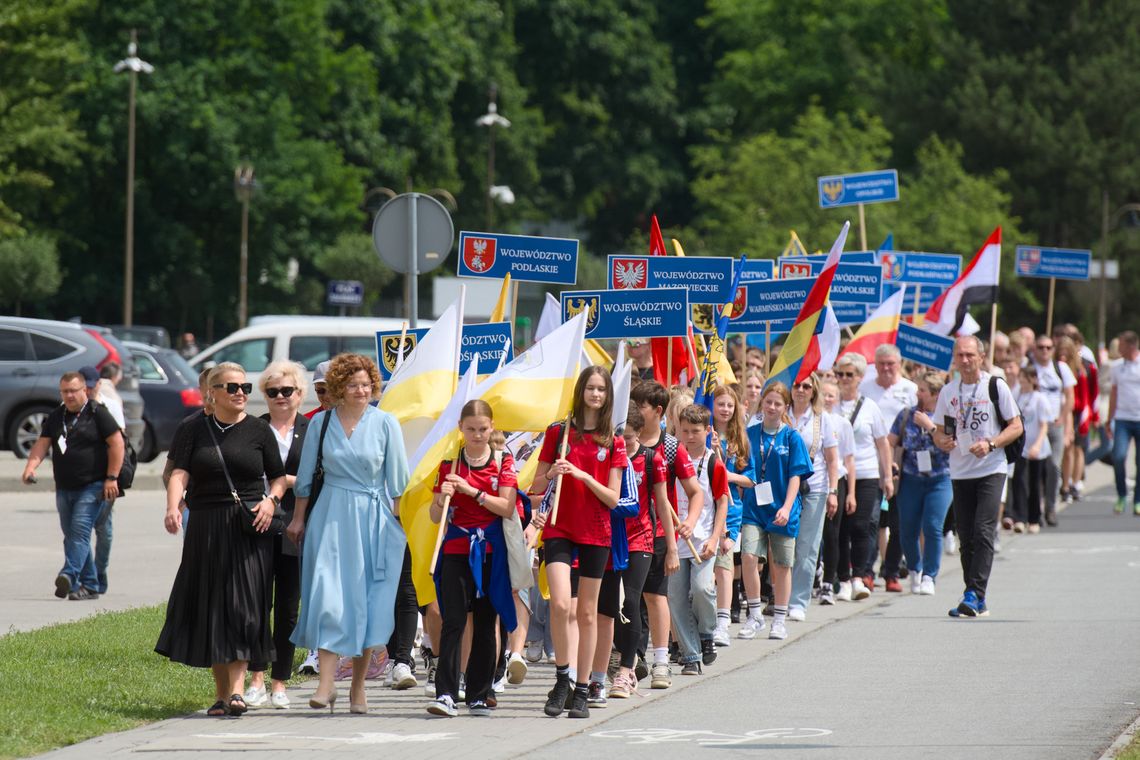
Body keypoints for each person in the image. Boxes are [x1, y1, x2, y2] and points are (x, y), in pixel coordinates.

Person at [155, 362, 287, 717]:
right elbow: (179, 472)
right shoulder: (193, 428)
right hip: (207, 525)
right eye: (232, 387)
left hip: (248, 526)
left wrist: (270, 502)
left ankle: (238, 691)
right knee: (214, 608)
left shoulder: (259, 430)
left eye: (244, 386)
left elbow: (276, 478)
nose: (241, 392)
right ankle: (220, 694)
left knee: (244, 608)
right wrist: (172, 508)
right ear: (212, 392)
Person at [286, 354, 409, 715]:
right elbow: (305, 478)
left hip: (373, 518)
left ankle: (357, 686)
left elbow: (398, 483)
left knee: (367, 604)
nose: (361, 390)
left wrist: (399, 526)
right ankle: (326, 683)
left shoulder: (387, 424)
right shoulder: (321, 424)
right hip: (331, 516)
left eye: (366, 385)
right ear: (339, 388)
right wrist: (297, 519)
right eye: (354, 384)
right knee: (327, 595)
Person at [533, 366, 625, 718]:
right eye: (591, 388)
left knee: (587, 613)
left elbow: (613, 499)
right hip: (558, 528)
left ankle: (583, 689)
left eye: (602, 389)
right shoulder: (558, 432)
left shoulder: (613, 441)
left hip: (595, 533)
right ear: (581, 391)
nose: (596, 394)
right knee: (559, 604)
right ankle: (562, 679)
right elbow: (539, 485)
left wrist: (585, 475)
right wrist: (552, 472)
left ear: (608, 395)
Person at [426, 400, 519, 718]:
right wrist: (442, 498)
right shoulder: (449, 464)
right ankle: (447, 693)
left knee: (484, 621)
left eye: (483, 429)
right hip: (455, 549)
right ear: (461, 429)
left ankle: (479, 693)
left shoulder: (503, 462)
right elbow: (435, 516)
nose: (477, 435)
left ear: (492, 427)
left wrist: (472, 491)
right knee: (453, 620)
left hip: (491, 551)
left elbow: (506, 507)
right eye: (471, 429)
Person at [933, 336, 1023, 618]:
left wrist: (992, 444)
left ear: (981, 357)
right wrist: (942, 441)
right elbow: (940, 431)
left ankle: (975, 593)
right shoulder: (948, 391)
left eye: (970, 355)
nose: (965, 360)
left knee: (984, 530)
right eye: (960, 355)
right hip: (960, 471)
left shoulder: (995, 385)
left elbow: (1016, 426)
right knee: (966, 535)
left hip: (991, 468)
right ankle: (973, 595)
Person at [22, 370, 124, 602]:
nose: (69, 396)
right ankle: (88, 584)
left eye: (73, 391)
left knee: (79, 532)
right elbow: (42, 444)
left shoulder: (98, 414)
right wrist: (30, 467)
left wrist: (111, 477)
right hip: (64, 487)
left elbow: (117, 444)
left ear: (83, 391)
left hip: (93, 486)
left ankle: (69, 574)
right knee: (72, 536)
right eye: (65, 392)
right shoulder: (56, 416)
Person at [244, 362, 310, 710]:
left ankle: (280, 681)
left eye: (287, 391)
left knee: (287, 609)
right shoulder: (254, 429)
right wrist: (282, 481)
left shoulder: (312, 429)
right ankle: (256, 676)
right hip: (259, 524)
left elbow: (322, 476)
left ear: (300, 394)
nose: (281, 397)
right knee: (256, 606)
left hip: (297, 527)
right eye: (273, 392)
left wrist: (284, 481)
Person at [598, 407, 671, 699]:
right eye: (619, 438)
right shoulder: (608, 459)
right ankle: (621, 655)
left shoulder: (651, 460)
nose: (624, 444)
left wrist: (673, 548)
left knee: (630, 601)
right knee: (609, 607)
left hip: (641, 540)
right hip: (608, 540)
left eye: (629, 438)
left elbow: (663, 504)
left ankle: (626, 672)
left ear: (639, 434)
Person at [629, 380, 692, 689]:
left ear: (657, 411)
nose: (635, 411)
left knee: (655, 596)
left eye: (640, 406)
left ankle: (661, 660)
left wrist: (688, 523)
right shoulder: (622, 441)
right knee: (628, 600)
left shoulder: (670, 447)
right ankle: (630, 657)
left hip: (658, 532)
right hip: (625, 532)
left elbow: (696, 492)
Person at [742, 384, 812, 640]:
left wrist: (786, 506)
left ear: (785, 408)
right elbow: (739, 463)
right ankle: (754, 615)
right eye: (768, 402)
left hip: (783, 508)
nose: (772, 407)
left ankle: (780, 618)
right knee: (749, 557)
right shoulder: (749, 433)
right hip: (754, 508)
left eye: (777, 404)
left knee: (781, 564)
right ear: (762, 403)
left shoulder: (792, 437)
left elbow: (796, 476)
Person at [669, 403, 731, 665]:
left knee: (703, 588)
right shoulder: (672, 460)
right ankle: (691, 653)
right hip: (675, 539)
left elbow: (722, 502)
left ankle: (707, 631)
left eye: (695, 431)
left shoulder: (713, 463)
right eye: (684, 431)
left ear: (707, 430)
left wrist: (715, 538)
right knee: (675, 598)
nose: (690, 436)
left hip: (704, 538)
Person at [833, 353, 893, 601]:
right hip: (838, 474)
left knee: (862, 525)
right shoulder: (830, 403)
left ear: (859, 378)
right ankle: (842, 579)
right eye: (840, 374)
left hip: (867, 473)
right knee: (839, 530)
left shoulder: (870, 406)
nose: (844, 379)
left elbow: (883, 444)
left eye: (849, 374)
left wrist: (887, 476)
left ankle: (859, 576)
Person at [859, 345, 916, 592]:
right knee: (872, 520)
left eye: (891, 363)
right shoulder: (865, 387)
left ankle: (892, 571)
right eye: (881, 363)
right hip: (871, 461)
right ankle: (867, 571)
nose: (886, 368)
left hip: (903, 461)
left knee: (899, 520)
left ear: (899, 363)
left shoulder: (911, 389)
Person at [890, 373, 952, 595]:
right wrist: (890, 467)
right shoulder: (906, 415)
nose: (917, 393)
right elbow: (890, 442)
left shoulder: (947, 416)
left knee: (933, 526)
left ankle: (929, 575)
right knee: (907, 528)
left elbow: (949, 445)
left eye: (923, 390)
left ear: (935, 394)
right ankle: (915, 568)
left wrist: (931, 427)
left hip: (940, 478)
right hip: (911, 479)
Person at [788, 374, 839, 620]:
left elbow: (831, 458)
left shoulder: (822, 418)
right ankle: (779, 596)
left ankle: (798, 600)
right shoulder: (780, 413)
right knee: (782, 544)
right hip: (782, 487)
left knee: (807, 546)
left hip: (814, 488)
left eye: (806, 386)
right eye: (797, 385)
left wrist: (833, 491)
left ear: (813, 390)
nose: (800, 390)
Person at [818, 380, 857, 605]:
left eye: (832, 395)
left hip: (836, 482)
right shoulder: (812, 421)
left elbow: (849, 460)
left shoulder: (842, 423)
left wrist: (851, 493)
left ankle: (830, 582)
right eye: (824, 394)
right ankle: (814, 577)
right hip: (813, 481)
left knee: (833, 534)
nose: (827, 398)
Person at [1029, 333, 1075, 526]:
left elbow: (1070, 396)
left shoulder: (1060, 368)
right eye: (1041, 347)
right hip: (1036, 424)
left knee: (1053, 467)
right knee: (1037, 470)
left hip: (1055, 424)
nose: (1045, 351)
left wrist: (1064, 420)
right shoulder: (1030, 368)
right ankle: (1036, 509)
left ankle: (1051, 507)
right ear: (1035, 349)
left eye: (1048, 347)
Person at [90, 364, 125, 596]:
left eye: (90, 386)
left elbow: (120, 442)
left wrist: (112, 477)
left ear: (98, 384)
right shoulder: (66, 408)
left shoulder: (110, 404)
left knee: (103, 529)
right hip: (78, 479)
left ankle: (99, 572)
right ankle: (86, 577)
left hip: (106, 478)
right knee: (79, 531)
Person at [1009, 365, 1050, 533]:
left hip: (1036, 447)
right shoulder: (1016, 395)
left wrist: (1037, 445)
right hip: (1021, 446)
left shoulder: (1039, 399)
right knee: (1019, 481)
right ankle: (1020, 517)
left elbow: (1044, 426)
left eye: (1026, 379)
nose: (1023, 382)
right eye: (1021, 379)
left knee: (1034, 483)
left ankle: (1034, 519)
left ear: (1033, 379)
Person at [1108, 331, 1140, 514]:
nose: (1118, 348)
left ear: (1131, 346)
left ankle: (1138, 499)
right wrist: (1109, 418)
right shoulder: (1117, 367)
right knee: (1118, 456)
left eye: (1121, 345)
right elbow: (1114, 393)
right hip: (1122, 419)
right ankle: (1121, 494)